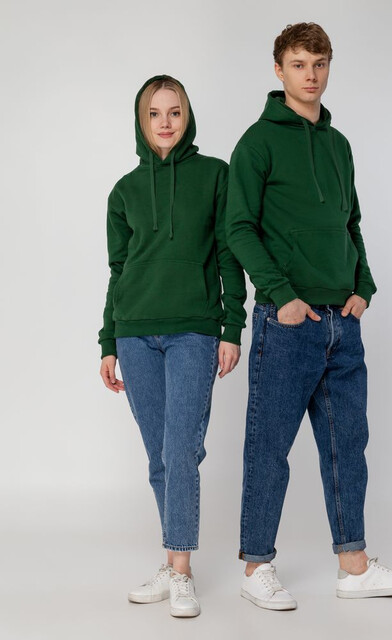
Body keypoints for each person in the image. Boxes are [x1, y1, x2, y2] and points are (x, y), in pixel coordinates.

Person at [226, 23, 392, 609]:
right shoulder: (256, 143)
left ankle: (354, 567)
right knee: (270, 447)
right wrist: (282, 295)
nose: (310, 75)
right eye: (298, 64)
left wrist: (364, 285)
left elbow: (350, 222)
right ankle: (255, 566)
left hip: (344, 320)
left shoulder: (339, 145)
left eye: (319, 64)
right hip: (287, 321)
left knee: (348, 446)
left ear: (328, 67)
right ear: (278, 70)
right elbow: (238, 228)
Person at [98, 74, 246, 618]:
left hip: (193, 331)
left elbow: (229, 255)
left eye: (174, 112)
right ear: (141, 122)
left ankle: (180, 571)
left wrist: (232, 328)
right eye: (155, 114)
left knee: (182, 448)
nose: (165, 122)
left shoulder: (215, 176)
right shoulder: (124, 191)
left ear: (188, 117)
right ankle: (172, 560)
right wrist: (108, 340)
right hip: (134, 332)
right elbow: (118, 271)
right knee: (158, 453)